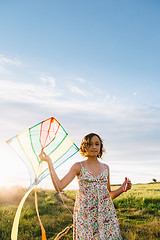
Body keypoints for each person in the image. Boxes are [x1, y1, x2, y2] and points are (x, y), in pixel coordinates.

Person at [39, 133, 132, 239]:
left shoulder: (106, 168)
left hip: (105, 214)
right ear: (84, 147)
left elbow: (109, 194)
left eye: (97, 144)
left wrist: (122, 188)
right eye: (90, 144)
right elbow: (59, 186)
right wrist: (49, 162)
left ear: (100, 147)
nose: (94, 147)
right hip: (85, 215)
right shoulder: (78, 166)